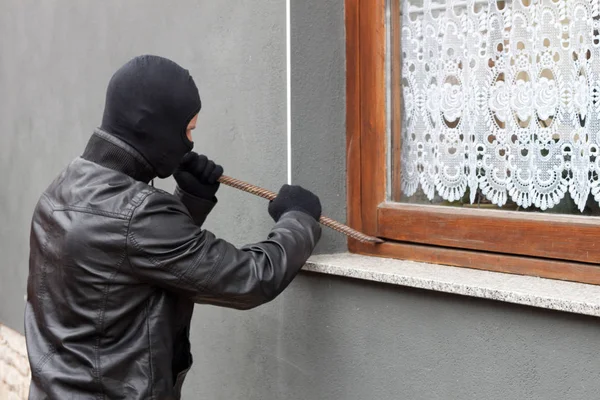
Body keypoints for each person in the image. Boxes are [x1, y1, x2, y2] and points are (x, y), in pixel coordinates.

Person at [24, 55, 322, 399]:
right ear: (155, 128)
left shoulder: (63, 187)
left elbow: (133, 261)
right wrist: (298, 219)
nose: (191, 143)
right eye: (188, 129)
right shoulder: (136, 213)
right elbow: (250, 278)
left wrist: (191, 200)